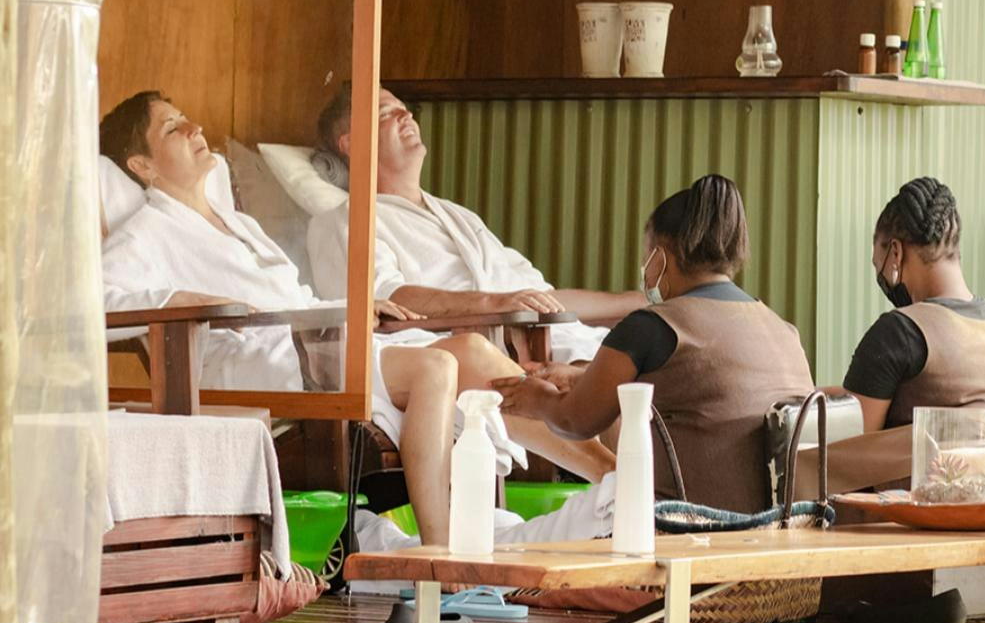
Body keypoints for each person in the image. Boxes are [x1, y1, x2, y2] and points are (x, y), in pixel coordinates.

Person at [98, 91, 612, 547]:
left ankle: (615, 481)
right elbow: (98, 301)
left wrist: (353, 310)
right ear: (142, 165)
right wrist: (186, 298)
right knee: (434, 368)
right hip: (249, 362)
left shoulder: (238, 224)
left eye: (186, 118)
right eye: (172, 127)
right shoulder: (147, 232)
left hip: (301, 343)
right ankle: (440, 553)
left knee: (474, 355)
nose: (194, 128)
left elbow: (295, 298)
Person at [493, 175, 814, 514]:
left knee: (514, 533)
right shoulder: (783, 330)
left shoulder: (652, 325)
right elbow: (707, 391)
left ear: (660, 258)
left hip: (691, 524)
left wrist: (538, 398)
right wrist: (583, 377)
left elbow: (574, 422)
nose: (645, 269)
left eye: (647, 257)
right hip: (784, 524)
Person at [306, 87, 640, 364]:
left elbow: (540, 297)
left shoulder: (459, 217)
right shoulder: (343, 221)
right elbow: (384, 299)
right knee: (616, 382)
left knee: (645, 357)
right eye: (385, 114)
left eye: (404, 109)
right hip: (482, 357)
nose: (406, 115)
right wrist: (492, 304)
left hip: (562, 340)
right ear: (351, 143)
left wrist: (635, 302)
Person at [840, 177, 985, 432]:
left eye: (880, 266)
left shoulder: (898, 332)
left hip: (925, 462)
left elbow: (853, 446)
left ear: (896, 253)